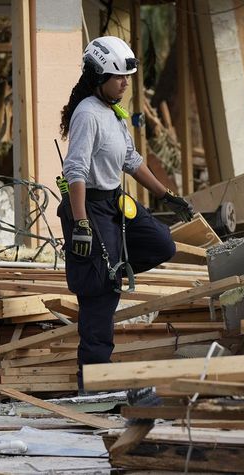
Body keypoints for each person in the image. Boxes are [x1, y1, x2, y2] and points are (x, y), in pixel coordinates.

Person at [58, 36, 194, 394]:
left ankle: (113, 268)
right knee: (99, 295)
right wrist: (81, 224)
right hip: (88, 205)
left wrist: (169, 196)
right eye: (119, 77)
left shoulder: (113, 113)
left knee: (162, 243)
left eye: (128, 77)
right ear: (98, 76)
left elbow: (131, 161)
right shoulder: (88, 114)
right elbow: (75, 171)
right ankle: (94, 381)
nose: (126, 83)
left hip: (114, 202)